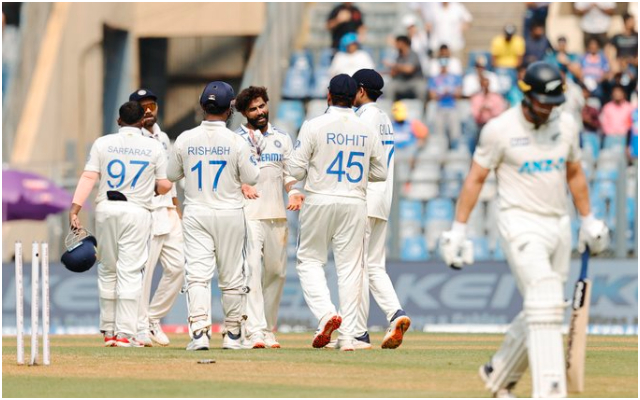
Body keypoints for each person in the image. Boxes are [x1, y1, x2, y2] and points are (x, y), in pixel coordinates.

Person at [439, 62, 610, 398]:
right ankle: (550, 391)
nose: (550, 110)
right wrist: (458, 230)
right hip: (518, 220)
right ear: (527, 96)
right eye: (544, 103)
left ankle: (498, 373)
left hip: (558, 222)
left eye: (555, 104)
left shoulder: (567, 125)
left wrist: (587, 219)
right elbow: (476, 179)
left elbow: (574, 173)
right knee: (544, 295)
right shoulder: (499, 129)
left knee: (544, 304)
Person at [288, 74, 387, 351]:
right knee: (351, 270)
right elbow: (380, 172)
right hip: (354, 201)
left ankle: (326, 313)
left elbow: (295, 169)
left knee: (309, 260)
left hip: (319, 199)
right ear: (355, 95)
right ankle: (349, 337)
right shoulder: (366, 129)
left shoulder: (314, 125)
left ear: (328, 95)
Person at [69, 101, 172, 347]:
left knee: (107, 269)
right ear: (142, 122)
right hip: (136, 211)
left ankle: (109, 330)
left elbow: (89, 177)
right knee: (130, 271)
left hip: (106, 209)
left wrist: (75, 209)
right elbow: (164, 184)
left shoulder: (102, 143)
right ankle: (125, 333)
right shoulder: (153, 146)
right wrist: (155, 188)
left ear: (119, 121)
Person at [167, 81, 260, 351]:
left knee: (197, 275)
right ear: (230, 108)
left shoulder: (185, 138)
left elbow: (172, 174)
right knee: (232, 276)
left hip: (197, 212)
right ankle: (232, 335)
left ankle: (199, 334)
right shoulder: (236, 140)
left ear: (201, 106)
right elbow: (253, 177)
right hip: (230, 212)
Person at [234, 86, 305, 349]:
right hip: (248, 215)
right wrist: (241, 185)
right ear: (244, 113)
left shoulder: (282, 138)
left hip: (276, 214)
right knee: (251, 271)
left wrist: (294, 191)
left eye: (262, 105)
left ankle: (267, 328)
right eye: (253, 109)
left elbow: (288, 173)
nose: (260, 112)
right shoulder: (236, 140)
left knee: (276, 272)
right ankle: (253, 331)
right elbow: (231, 175)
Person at [351, 69, 411, 349]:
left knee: (358, 267)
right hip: (383, 199)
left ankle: (358, 331)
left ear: (361, 90)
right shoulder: (385, 117)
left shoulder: (362, 118)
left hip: (365, 197)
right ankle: (395, 313)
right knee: (374, 265)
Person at [126, 89, 185, 347]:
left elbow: (169, 177)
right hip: (146, 211)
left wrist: (175, 205)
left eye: (151, 104)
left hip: (168, 210)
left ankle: (151, 319)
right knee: (145, 273)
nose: (148, 110)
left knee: (178, 267)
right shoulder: (131, 140)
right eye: (142, 106)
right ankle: (138, 328)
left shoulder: (163, 137)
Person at [429, 58, 463, 147]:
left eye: (445, 66)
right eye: (442, 66)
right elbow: (432, 96)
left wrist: (450, 92)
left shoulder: (455, 77)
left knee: (455, 133)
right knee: (439, 134)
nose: (443, 68)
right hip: (440, 107)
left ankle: (454, 150)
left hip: (452, 107)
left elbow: (458, 94)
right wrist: (442, 93)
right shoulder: (435, 78)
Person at [384, 35, 426, 103]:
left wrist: (393, 65)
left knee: (421, 88)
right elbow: (394, 73)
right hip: (402, 82)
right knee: (390, 87)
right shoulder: (398, 56)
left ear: (403, 43)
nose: (396, 45)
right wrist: (392, 72)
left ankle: (422, 110)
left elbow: (409, 69)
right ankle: (391, 110)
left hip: (415, 81)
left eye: (397, 43)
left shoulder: (413, 54)